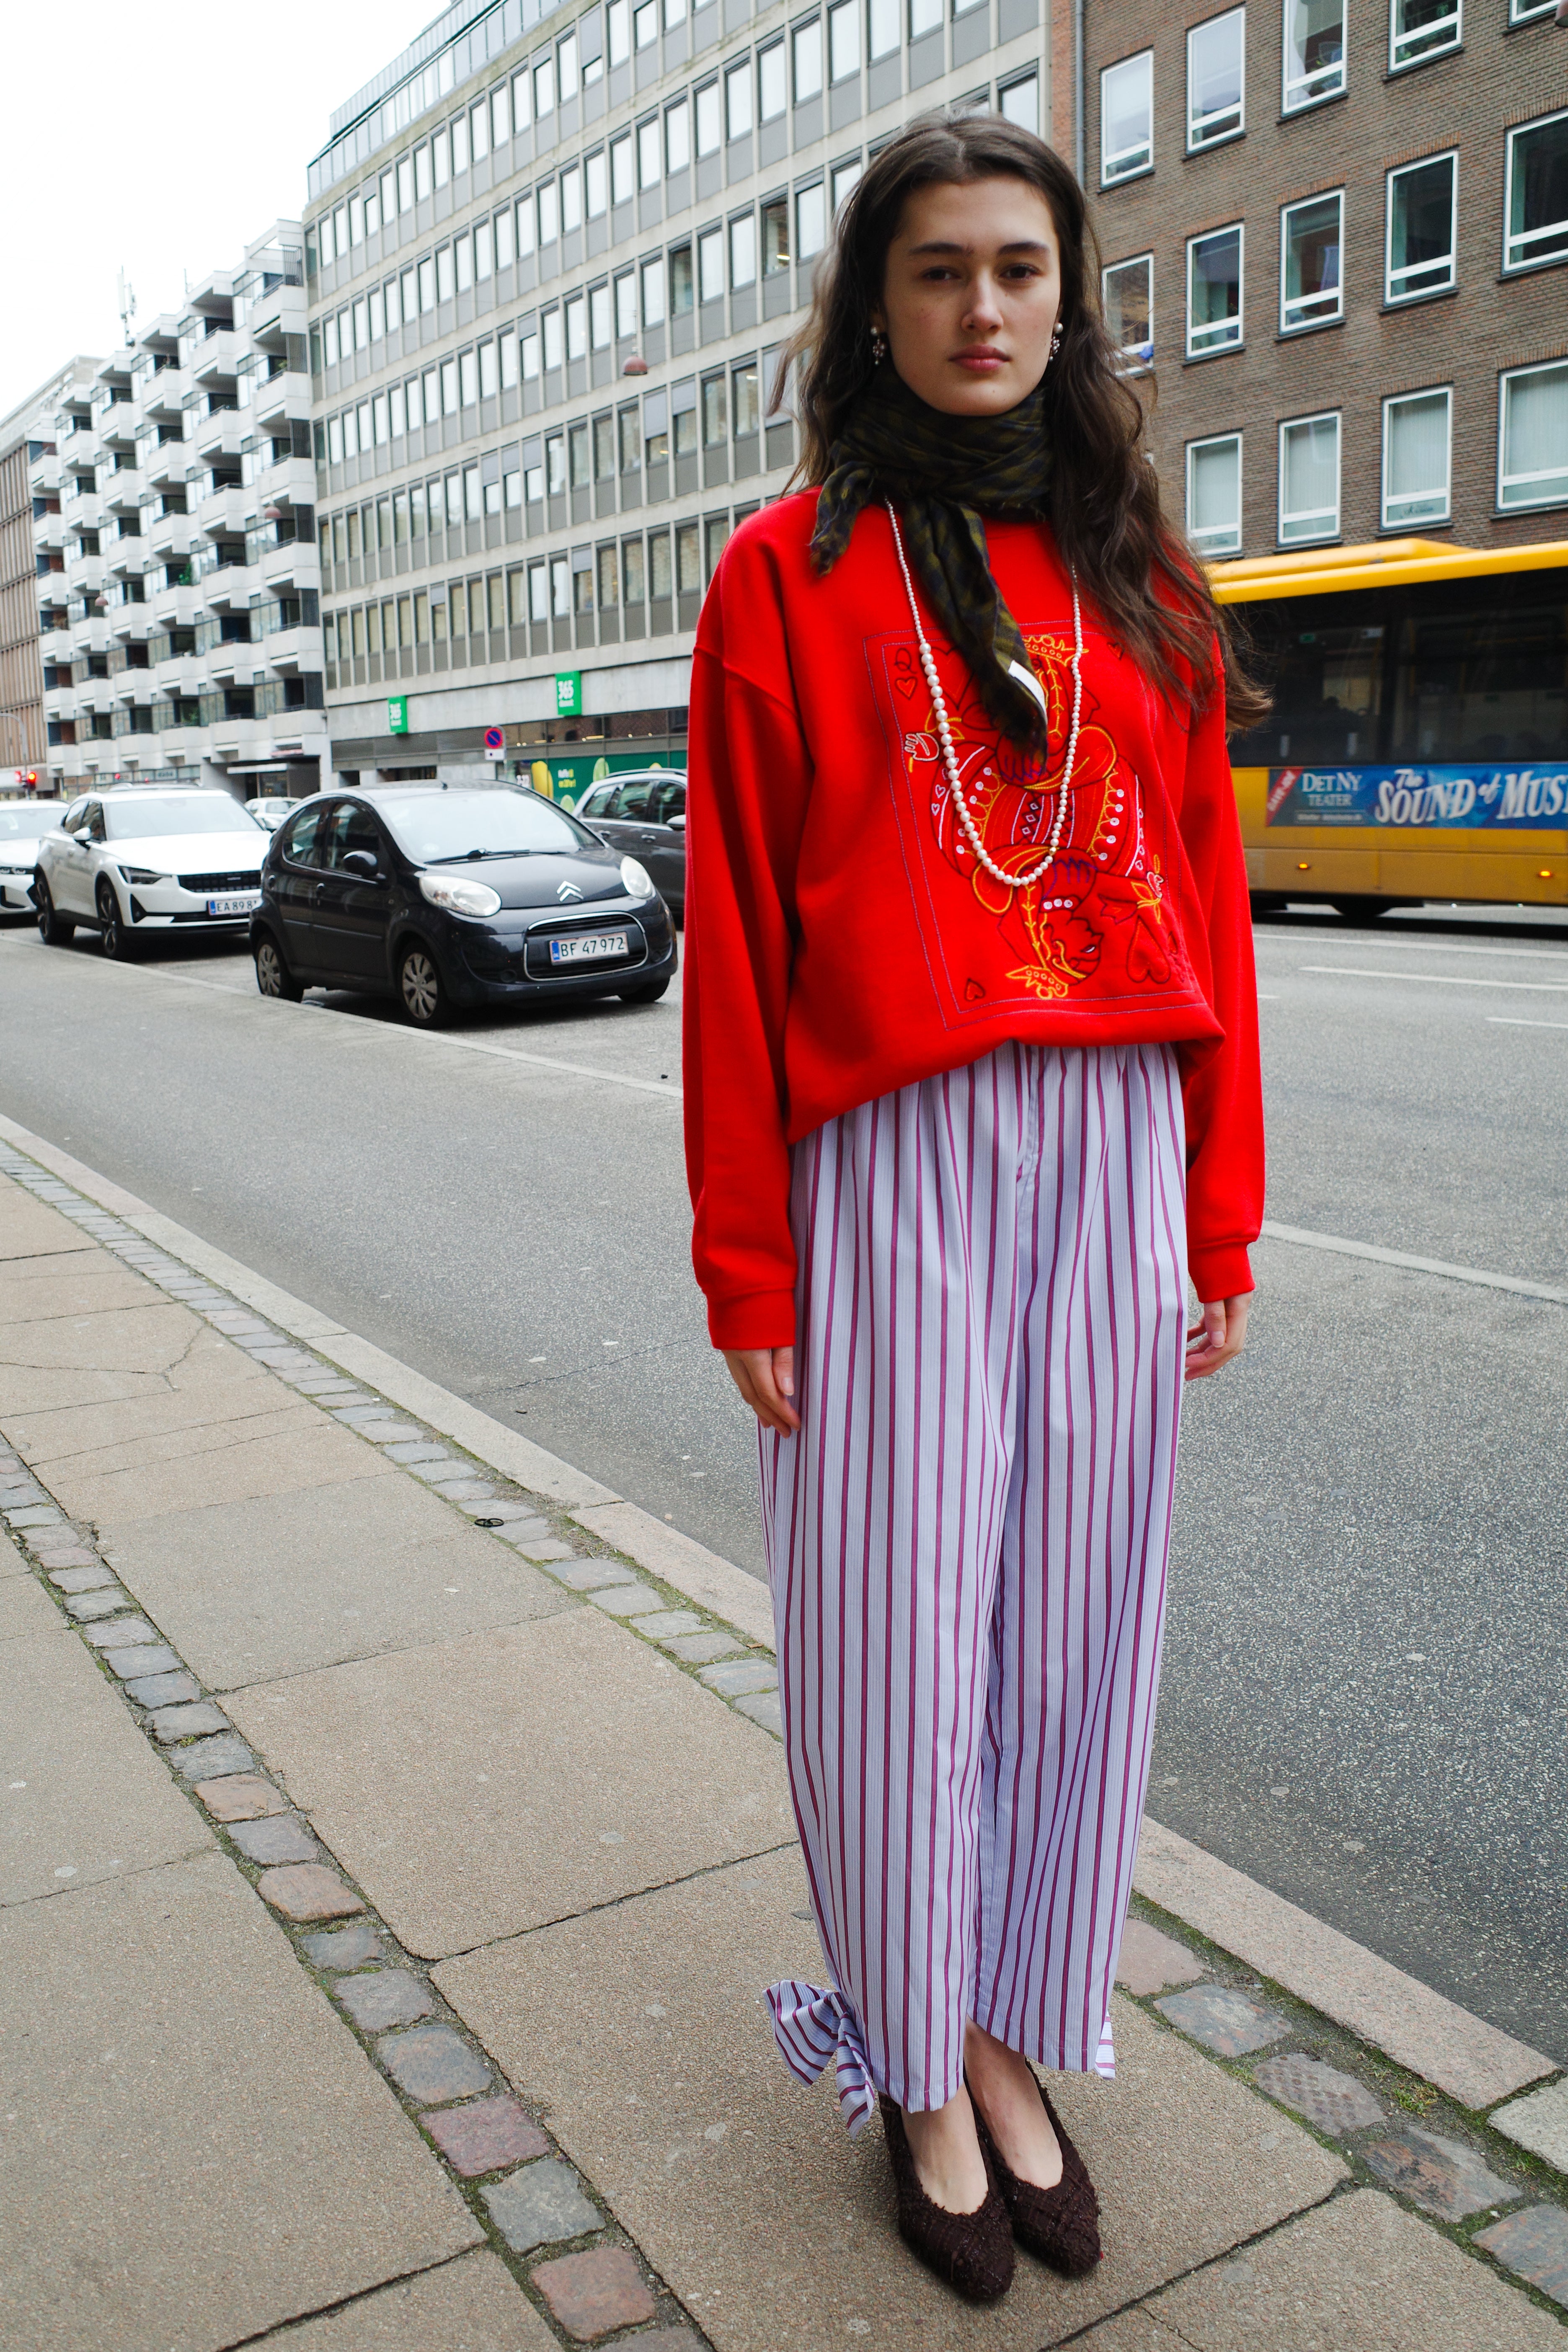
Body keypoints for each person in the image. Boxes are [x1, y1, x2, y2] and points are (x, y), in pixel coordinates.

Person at [681, 111, 1265, 2305]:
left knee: (1075, 1644)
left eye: (1019, 267)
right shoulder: (786, 576)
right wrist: (751, 1254)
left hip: (1114, 1138)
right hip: (892, 1159)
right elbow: (732, 946)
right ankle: (915, 2067)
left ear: (1068, 293)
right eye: (936, 271)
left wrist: (1219, 1212)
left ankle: (1021, 2030)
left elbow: (1212, 909)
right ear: (876, 306)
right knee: (888, 1646)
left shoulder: (1143, 574)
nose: (984, 308)